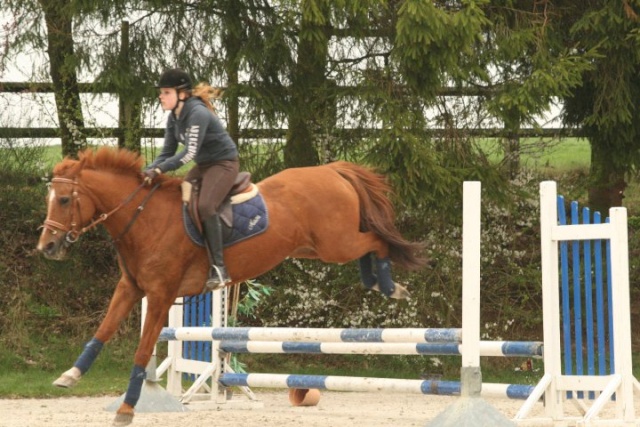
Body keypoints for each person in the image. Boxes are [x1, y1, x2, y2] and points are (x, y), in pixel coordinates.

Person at [143, 68, 239, 290]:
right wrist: (146, 171)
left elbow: (188, 154)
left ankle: (219, 268)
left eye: (166, 92)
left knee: (206, 205)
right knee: (179, 200)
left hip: (223, 164)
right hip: (205, 166)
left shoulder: (197, 114)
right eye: (161, 93)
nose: (161, 96)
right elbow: (166, 153)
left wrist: (159, 172)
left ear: (182, 94)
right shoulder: (174, 118)